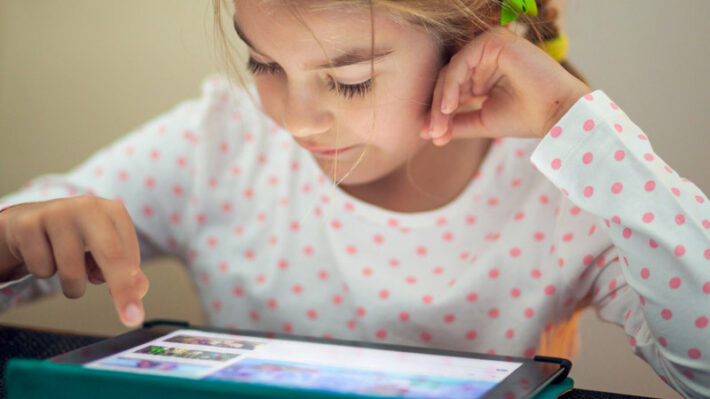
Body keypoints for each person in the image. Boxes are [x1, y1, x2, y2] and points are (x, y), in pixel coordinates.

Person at [0, 0, 708, 396]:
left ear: (470, 42)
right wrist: (10, 241)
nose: (297, 120)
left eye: (349, 80)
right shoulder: (220, 145)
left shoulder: (567, 183)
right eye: (266, 63)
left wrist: (576, 124)